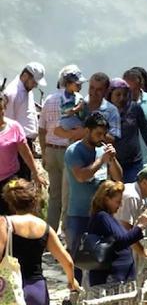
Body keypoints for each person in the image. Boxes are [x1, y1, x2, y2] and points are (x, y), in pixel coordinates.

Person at [64, 112, 123, 282]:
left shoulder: (103, 150)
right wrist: (102, 160)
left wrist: (112, 159)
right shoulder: (74, 151)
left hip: (101, 215)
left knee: (102, 257)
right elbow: (81, 176)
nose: (101, 138)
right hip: (79, 212)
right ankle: (73, 293)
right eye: (98, 134)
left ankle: (98, 292)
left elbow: (118, 177)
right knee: (75, 258)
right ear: (87, 131)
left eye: (104, 134)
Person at [3, 179, 80, 304]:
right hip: (37, 289)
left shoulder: (5, 224)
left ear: (10, 202)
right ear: (34, 201)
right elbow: (68, 262)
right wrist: (71, 281)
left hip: (11, 288)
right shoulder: (45, 227)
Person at [39, 65, 83, 231]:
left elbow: (42, 129)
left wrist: (44, 153)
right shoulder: (78, 99)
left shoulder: (49, 100)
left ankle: (48, 233)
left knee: (55, 195)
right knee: (69, 195)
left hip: (50, 150)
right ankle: (66, 234)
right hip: (68, 150)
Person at [87, 180, 147, 286]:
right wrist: (140, 226)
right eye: (118, 201)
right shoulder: (102, 217)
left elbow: (124, 238)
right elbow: (121, 242)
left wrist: (139, 224)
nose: (120, 205)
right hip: (110, 279)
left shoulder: (109, 218)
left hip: (120, 278)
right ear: (106, 199)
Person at [0, 95, 44, 215]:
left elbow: (25, 151)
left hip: (9, 180)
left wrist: (35, 173)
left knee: (11, 216)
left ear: (4, 108)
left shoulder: (14, 127)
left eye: (0, 109)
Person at [107, 79, 147, 183]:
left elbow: (145, 131)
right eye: (118, 94)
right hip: (112, 163)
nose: (122, 98)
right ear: (110, 95)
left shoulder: (134, 108)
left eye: (125, 94)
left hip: (134, 162)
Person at [4, 62, 47, 180]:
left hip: (26, 143)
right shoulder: (12, 93)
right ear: (25, 76)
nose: (34, 85)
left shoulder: (26, 90)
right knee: (21, 181)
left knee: (26, 178)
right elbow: (7, 122)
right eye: (34, 82)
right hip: (17, 146)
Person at [115, 165, 147, 264]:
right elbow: (126, 230)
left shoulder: (134, 194)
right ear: (145, 182)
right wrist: (144, 253)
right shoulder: (132, 197)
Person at [53, 73, 121, 145]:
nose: (94, 92)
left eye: (99, 90)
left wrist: (86, 133)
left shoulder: (111, 111)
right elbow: (56, 130)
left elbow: (113, 139)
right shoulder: (77, 103)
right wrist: (72, 133)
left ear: (106, 91)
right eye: (92, 88)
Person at [122, 69, 147, 164]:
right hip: (129, 159)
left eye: (135, 89)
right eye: (129, 90)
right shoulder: (120, 105)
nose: (132, 93)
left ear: (141, 85)